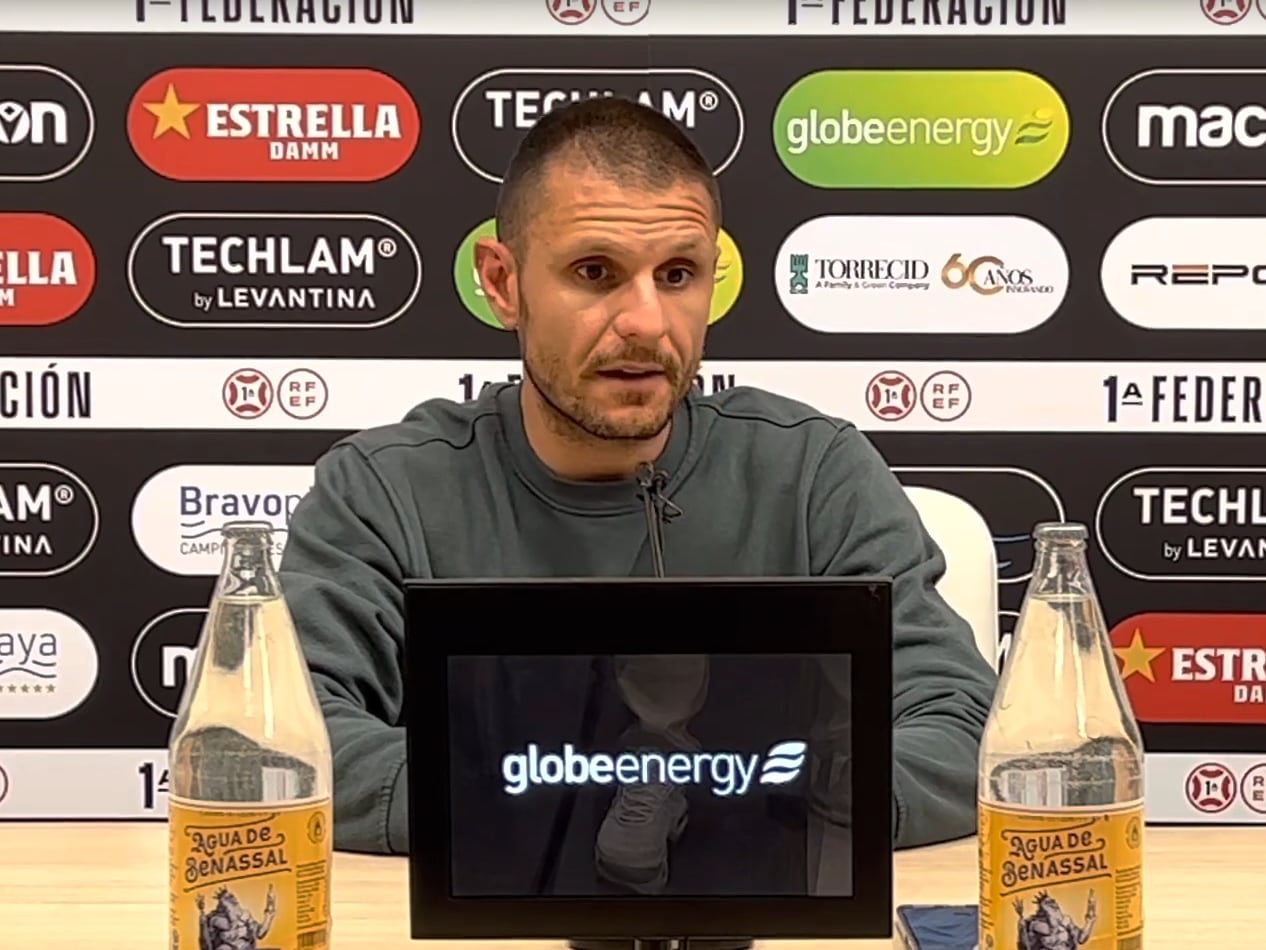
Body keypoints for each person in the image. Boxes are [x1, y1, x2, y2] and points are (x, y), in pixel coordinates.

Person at [277, 96, 999, 889]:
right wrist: (575, 807)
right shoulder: (383, 489)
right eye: (595, 273)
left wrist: (727, 805)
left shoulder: (814, 473)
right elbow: (284, 739)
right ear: (503, 283)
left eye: (679, 275)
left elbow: (962, 728)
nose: (647, 322)